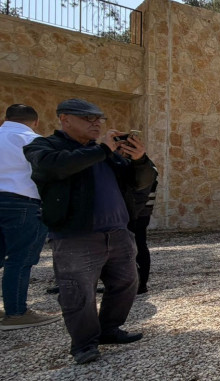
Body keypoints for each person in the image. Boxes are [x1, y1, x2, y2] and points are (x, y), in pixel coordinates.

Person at [24, 98, 157, 364]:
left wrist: (140, 159)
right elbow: (57, 167)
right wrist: (103, 150)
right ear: (64, 119)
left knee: (126, 284)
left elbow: (142, 182)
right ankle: (84, 344)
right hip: (77, 236)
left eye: (99, 119)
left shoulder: (106, 154)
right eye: (88, 119)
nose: (96, 124)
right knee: (78, 293)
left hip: (118, 233)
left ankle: (109, 329)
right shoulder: (45, 147)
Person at [0, 104, 59, 330]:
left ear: (7, 118)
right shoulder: (33, 141)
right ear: (35, 121)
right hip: (22, 202)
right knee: (20, 259)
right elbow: (47, 173)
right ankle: (16, 313)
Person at [129, 177, 158, 294]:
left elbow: (141, 195)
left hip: (138, 214)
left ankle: (140, 285)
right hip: (140, 213)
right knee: (138, 245)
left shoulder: (143, 167)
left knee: (139, 245)